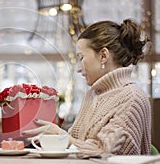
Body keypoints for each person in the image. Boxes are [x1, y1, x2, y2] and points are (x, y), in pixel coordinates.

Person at [23, 19, 151, 158]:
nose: (78, 69)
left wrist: (62, 137)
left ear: (103, 55)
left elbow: (106, 154)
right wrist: (58, 137)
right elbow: (74, 146)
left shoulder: (132, 98)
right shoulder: (92, 95)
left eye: (81, 57)